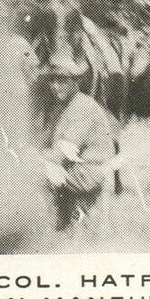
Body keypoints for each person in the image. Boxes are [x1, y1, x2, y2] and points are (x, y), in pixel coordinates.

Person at [37, 50, 117, 232]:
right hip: (77, 168)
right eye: (53, 81)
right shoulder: (67, 105)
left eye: (62, 81)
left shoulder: (83, 108)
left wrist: (34, 156)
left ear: (76, 82)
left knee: (33, 172)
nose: (56, 86)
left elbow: (63, 153)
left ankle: (47, 228)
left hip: (88, 172)